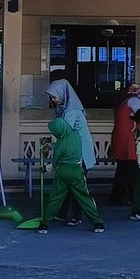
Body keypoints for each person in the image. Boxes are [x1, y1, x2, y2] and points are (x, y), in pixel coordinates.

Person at [36, 79, 104, 234]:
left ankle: (76, 216)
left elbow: (63, 132)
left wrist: (49, 147)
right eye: (51, 97)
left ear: (63, 94)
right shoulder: (64, 108)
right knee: (68, 189)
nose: (53, 100)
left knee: (76, 191)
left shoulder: (70, 111)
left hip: (79, 155)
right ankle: (62, 214)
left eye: (55, 96)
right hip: (71, 156)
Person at [107, 82, 140, 206]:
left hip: (120, 137)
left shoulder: (123, 101)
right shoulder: (134, 101)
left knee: (122, 170)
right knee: (131, 169)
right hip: (127, 138)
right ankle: (133, 197)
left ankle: (117, 197)